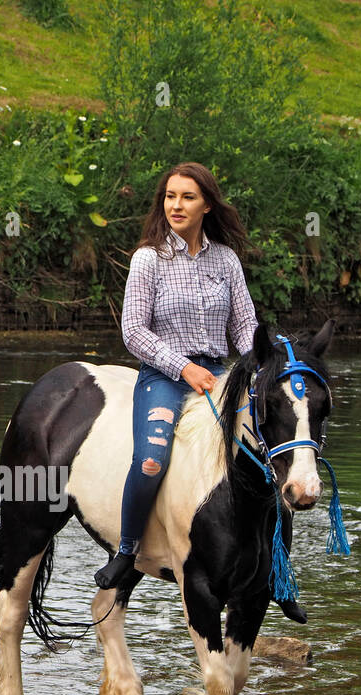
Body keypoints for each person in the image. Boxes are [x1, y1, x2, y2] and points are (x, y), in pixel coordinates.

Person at [93, 161, 305, 623]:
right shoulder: (148, 259)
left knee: (268, 459)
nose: (176, 205)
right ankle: (127, 552)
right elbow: (133, 331)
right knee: (150, 460)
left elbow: (245, 325)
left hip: (220, 376)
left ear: (206, 204)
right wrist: (182, 367)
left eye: (187, 197)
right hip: (164, 375)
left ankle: (280, 575)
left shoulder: (225, 261)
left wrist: (269, 355)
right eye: (170, 196)